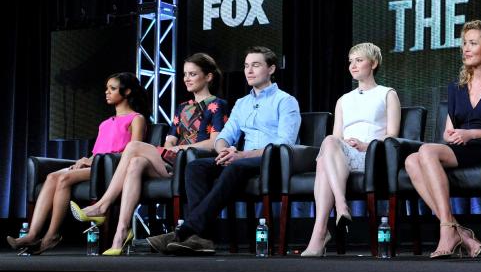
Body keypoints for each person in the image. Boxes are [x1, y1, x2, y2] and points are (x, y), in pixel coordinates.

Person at [145, 46, 301, 255]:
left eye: (256, 65)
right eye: (246, 66)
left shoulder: (285, 101)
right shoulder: (242, 103)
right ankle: (201, 239)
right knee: (196, 167)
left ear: (271, 69)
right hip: (241, 159)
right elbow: (224, 137)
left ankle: (185, 232)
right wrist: (223, 152)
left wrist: (241, 155)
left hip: (270, 160)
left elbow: (284, 143)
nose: (249, 71)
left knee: (235, 167)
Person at [70, 54, 229, 255]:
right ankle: (120, 236)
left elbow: (214, 143)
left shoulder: (217, 105)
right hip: (169, 161)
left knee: (134, 146)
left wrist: (177, 150)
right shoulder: (182, 107)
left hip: (189, 163)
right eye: (185, 74)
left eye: (193, 74)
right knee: (135, 162)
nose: (187, 78)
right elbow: (170, 139)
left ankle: (102, 205)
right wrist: (170, 147)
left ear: (208, 77)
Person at [405, 20, 481, 259]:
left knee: (425, 152)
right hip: (461, 148)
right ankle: (458, 231)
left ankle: (448, 231)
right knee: (411, 161)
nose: (466, 49)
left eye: (473, 43)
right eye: (464, 44)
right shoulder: (456, 87)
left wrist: (471, 134)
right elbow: (450, 130)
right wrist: (453, 134)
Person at [6, 72, 149, 254]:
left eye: (112, 89)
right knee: (52, 177)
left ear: (127, 91)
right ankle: (33, 233)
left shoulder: (137, 118)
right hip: (96, 164)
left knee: (64, 178)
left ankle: (52, 235)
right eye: (107, 88)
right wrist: (85, 161)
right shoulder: (105, 123)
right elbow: (97, 152)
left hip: (114, 168)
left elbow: (134, 149)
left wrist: (93, 162)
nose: (107, 92)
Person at [302, 43, 401, 257]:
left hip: (372, 155)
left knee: (323, 162)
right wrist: (344, 144)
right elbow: (337, 137)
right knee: (329, 144)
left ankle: (321, 231)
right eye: (350, 61)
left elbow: (392, 134)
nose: (353, 65)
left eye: (359, 60)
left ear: (373, 64)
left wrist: (367, 145)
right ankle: (338, 206)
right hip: (344, 154)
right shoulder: (343, 100)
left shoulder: (387, 94)